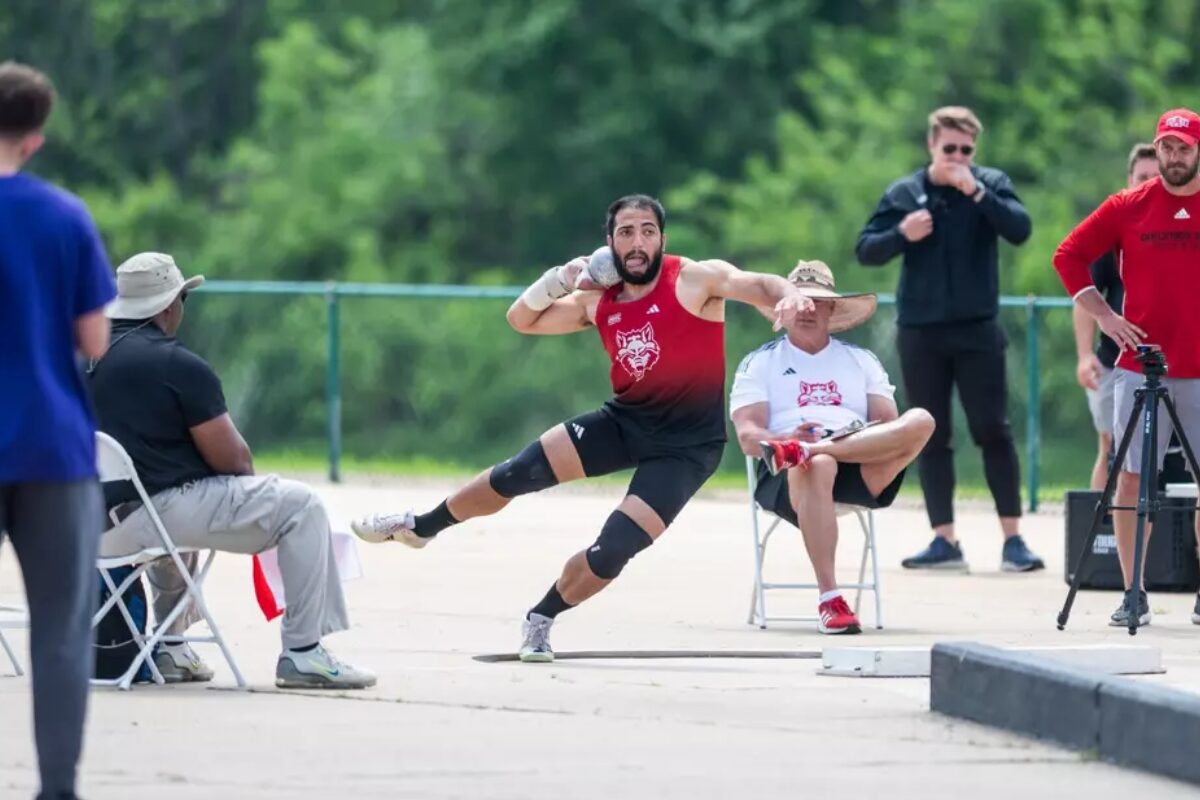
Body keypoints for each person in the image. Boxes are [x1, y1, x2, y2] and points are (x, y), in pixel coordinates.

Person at [352, 194, 811, 662]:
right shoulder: (596, 300)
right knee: (517, 473)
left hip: (687, 448)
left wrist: (788, 294)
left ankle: (541, 617)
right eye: (626, 233)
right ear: (609, 243)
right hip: (625, 420)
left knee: (613, 550)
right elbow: (521, 320)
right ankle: (421, 526)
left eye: (647, 232)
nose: (637, 243)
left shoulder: (694, 279)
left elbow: (756, 283)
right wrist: (559, 279)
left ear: (662, 239)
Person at [87, 252, 375, 688]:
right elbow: (236, 462)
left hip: (86, 525)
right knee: (301, 506)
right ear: (170, 305)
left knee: (174, 526)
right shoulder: (176, 364)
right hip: (155, 515)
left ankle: (170, 649)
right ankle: (303, 652)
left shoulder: (76, 359)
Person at [855, 105, 1044, 573]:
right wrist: (903, 231)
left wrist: (977, 191)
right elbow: (867, 248)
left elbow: (1020, 229)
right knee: (929, 434)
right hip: (921, 332)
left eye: (966, 150)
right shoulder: (906, 192)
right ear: (931, 146)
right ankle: (944, 540)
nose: (957, 157)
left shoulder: (990, 184)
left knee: (993, 430)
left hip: (978, 329)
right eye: (949, 149)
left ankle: (1013, 540)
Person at [0, 62, 116, 800]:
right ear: (35, 137)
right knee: (59, 630)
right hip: (50, 442)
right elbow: (96, 339)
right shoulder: (65, 216)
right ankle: (55, 787)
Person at [1054, 108, 1200, 628]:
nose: (1174, 156)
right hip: (1141, 366)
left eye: (1183, 147)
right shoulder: (1127, 207)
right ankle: (1132, 590)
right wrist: (1106, 317)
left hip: (1199, 368)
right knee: (1133, 480)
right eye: (1166, 146)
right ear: (1156, 149)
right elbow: (1068, 255)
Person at [729, 261, 934, 633]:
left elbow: (889, 425)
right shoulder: (760, 363)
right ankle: (830, 598)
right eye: (800, 301)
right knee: (817, 466)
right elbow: (747, 436)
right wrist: (787, 438)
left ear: (832, 309)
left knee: (921, 420)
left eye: (817, 302)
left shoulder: (861, 361)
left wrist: (826, 444)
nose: (808, 309)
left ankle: (815, 450)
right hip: (786, 471)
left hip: (860, 461)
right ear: (785, 308)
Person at [1073, 144, 1160, 490]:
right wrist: (1083, 356)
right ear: (1129, 180)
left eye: (1157, 177)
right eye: (1143, 178)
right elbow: (1084, 297)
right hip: (1115, 362)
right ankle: (1101, 536)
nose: (1150, 184)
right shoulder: (1113, 231)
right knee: (1112, 448)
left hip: (1178, 364)